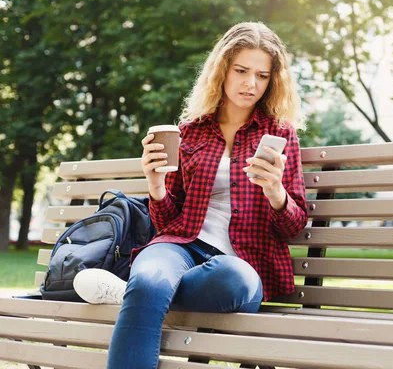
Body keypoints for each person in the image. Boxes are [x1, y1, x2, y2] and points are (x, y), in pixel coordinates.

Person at [73, 21, 308, 369]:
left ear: (272, 80)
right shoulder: (190, 132)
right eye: (241, 71)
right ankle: (146, 287)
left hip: (242, 264)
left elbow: (294, 226)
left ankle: (136, 292)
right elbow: (169, 222)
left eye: (262, 75)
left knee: (231, 279)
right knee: (152, 272)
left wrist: (276, 192)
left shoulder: (280, 133)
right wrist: (154, 185)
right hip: (181, 246)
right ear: (222, 69)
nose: (250, 84)